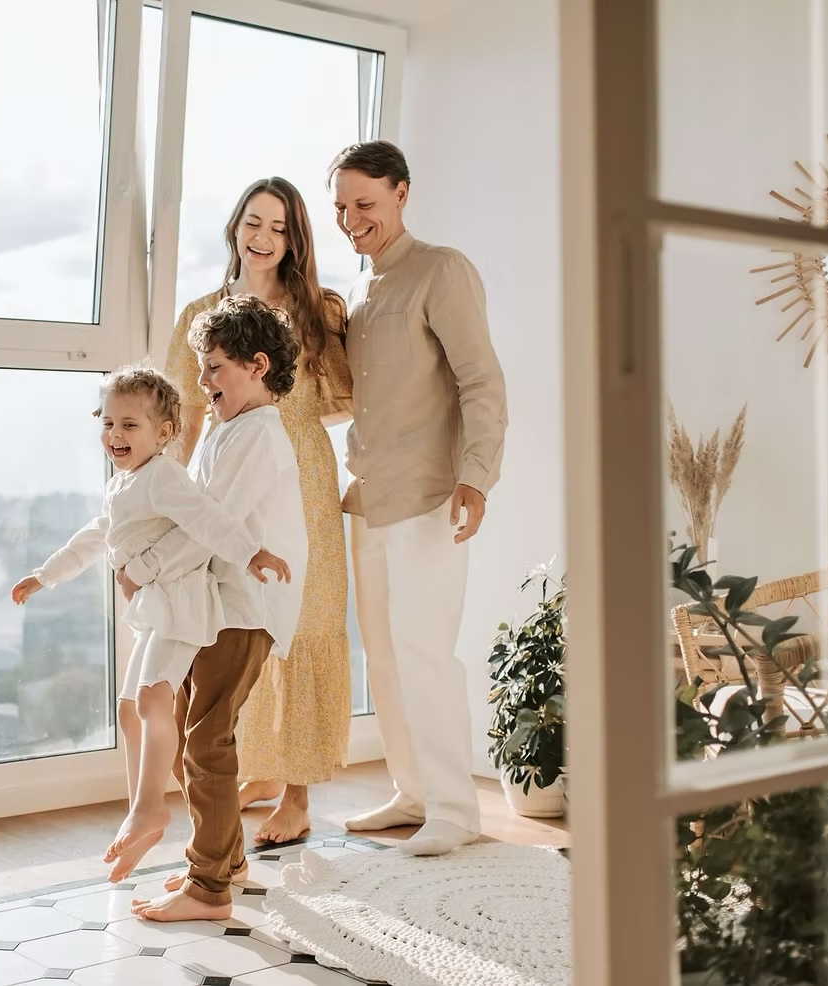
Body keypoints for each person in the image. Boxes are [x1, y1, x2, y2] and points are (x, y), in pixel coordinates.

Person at [10, 366, 290, 882]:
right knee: (126, 709)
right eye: (108, 422)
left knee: (154, 700)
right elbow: (97, 535)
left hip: (182, 607)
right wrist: (44, 576)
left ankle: (150, 809)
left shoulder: (163, 476)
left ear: (163, 433)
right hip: (154, 610)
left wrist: (251, 554)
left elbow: (208, 521)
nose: (115, 435)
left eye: (130, 425)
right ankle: (141, 808)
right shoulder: (125, 482)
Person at [328, 140, 509, 856]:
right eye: (341, 207)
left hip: (431, 495)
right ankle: (412, 792)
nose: (351, 219)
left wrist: (477, 475)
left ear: (402, 193)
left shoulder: (442, 271)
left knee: (424, 650)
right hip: (367, 499)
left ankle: (456, 812)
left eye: (364, 204)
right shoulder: (364, 298)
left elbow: (481, 382)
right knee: (384, 654)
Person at [163, 176, 352, 847]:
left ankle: (296, 797)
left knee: (303, 623)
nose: (262, 238)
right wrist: (177, 503)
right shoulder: (201, 313)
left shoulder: (319, 311)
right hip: (230, 476)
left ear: (295, 240)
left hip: (302, 476)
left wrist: (355, 471)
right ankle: (264, 770)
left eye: (278, 228)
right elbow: (186, 416)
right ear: (235, 227)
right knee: (240, 626)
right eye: (253, 221)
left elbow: (351, 399)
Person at [121, 294, 309, 922]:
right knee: (184, 734)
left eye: (214, 368)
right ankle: (221, 861)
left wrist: (143, 570)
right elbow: (190, 512)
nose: (202, 382)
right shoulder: (228, 431)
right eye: (201, 370)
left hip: (246, 606)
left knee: (206, 740)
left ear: (257, 366)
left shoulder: (257, 435)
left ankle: (209, 887)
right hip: (215, 602)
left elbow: (210, 525)